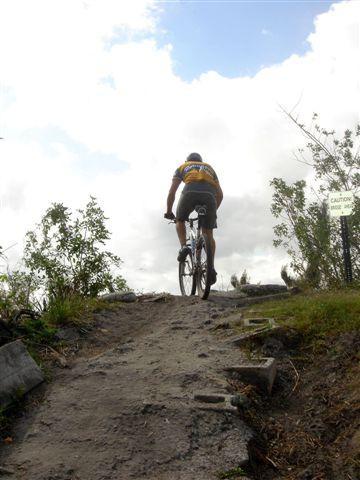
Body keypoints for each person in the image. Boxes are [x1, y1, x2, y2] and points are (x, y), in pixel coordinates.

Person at [164, 152, 223, 285]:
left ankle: (184, 247)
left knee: (180, 220)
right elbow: (220, 194)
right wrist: (213, 212)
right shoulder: (209, 168)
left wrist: (168, 211)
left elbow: (172, 192)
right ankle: (211, 267)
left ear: (187, 160)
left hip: (190, 191)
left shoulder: (183, 166)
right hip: (210, 195)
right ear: (201, 160)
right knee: (208, 233)